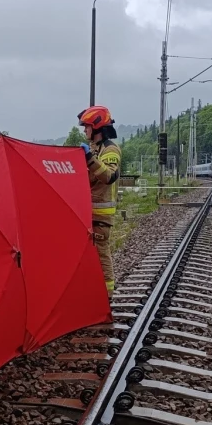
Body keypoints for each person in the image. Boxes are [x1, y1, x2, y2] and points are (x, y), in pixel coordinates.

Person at [76, 105, 122, 293]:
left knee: (101, 254)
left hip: (101, 215)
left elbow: (109, 176)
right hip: (89, 212)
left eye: (86, 126)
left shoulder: (110, 150)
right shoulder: (95, 149)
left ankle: (106, 294)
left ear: (96, 126)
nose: (85, 130)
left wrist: (89, 159)